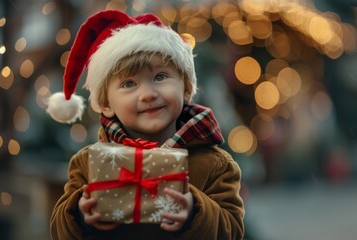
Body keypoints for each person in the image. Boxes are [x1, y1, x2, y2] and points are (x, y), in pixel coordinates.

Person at [47, 10, 244, 240]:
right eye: (129, 83)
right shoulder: (89, 164)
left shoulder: (215, 164)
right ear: (105, 103)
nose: (148, 94)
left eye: (160, 77)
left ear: (186, 88)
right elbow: (59, 231)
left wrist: (195, 211)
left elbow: (232, 230)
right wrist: (81, 215)